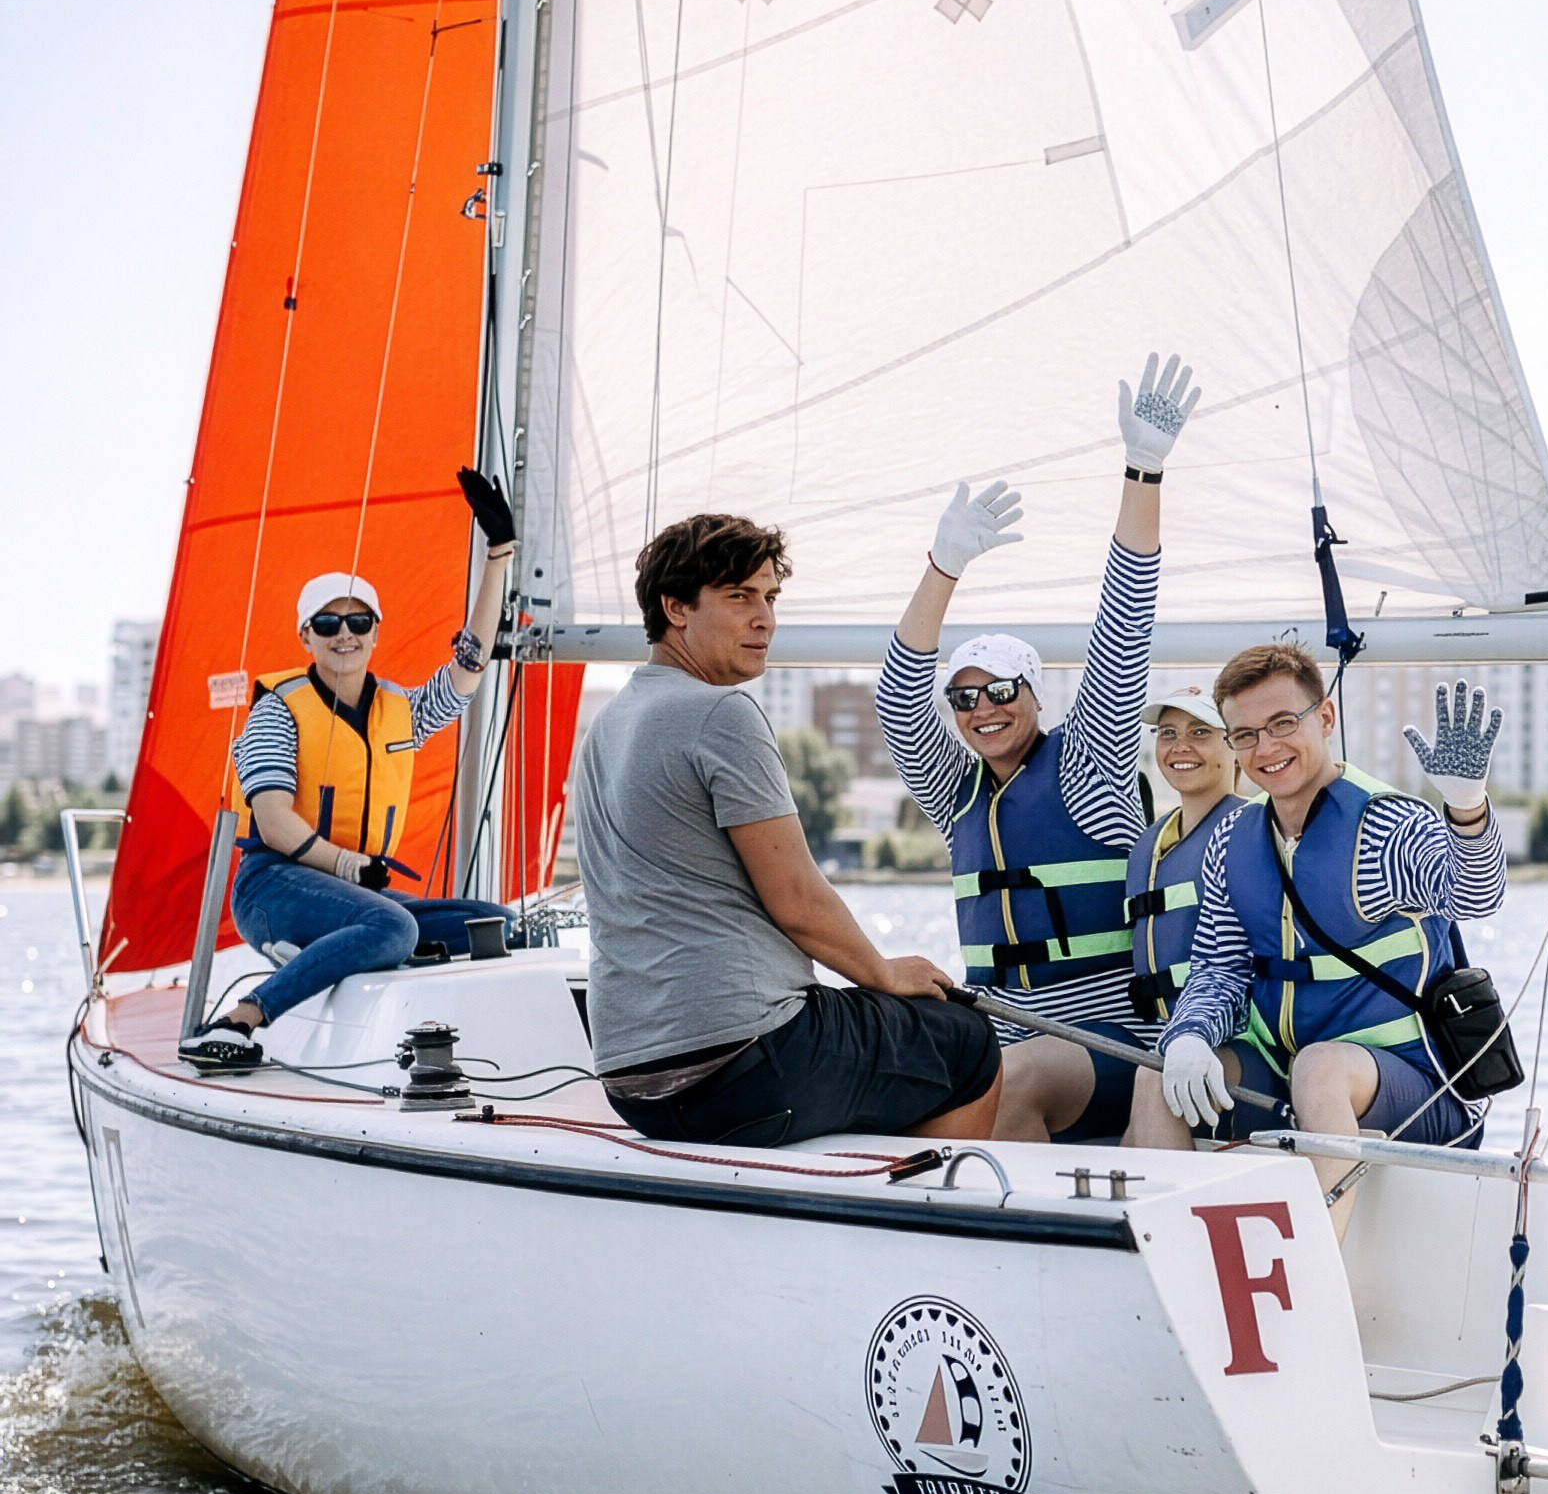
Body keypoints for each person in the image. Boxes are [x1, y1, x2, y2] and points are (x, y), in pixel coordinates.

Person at [573, 511, 1000, 1149]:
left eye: (769, 597)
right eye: (739, 597)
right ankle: (926, 1228)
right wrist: (883, 972)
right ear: (676, 607)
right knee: (965, 1045)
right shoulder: (720, 713)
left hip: (633, 1080)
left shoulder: (608, 726)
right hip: (745, 1065)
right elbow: (797, 902)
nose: (764, 619)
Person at [876, 352, 1198, 1143]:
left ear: (1034, 694)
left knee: (1007, 1084)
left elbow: (1123, 631)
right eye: (964, 696)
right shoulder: (959, 800)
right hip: (998, 1030)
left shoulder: (1086, 764)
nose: (983, 709)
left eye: (1001, 691)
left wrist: (1143, 473)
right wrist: (943, 564)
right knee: (890, 1084)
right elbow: (894, 699)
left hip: (1109, 1044)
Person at [181, 470, 523, 1072]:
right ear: (305, 637)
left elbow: (468, 671)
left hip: (357, 895)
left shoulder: (401, 711)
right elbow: (273, 819)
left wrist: (498, 555)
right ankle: (242, 1019)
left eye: (359, 623)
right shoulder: (276, 713)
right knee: (392, 926)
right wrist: (345, 864)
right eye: (329, 624)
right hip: (274, 888)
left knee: (499, 923)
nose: (346, 635)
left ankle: (356, 960)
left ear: (375, 633)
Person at [1155, 649, 1508, 1229]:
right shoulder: (1232, 841)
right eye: (1245, 735)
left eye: (1283, 724)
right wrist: (1188, 1037)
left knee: (1320, 1069)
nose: (1266, 748)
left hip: (1415, 1086)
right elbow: (1219, 969)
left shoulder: (1388, 826)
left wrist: (1466, 810)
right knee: (1156, 1075)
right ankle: (1171, 1270)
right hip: (1289, 1074)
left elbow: (1474, 896)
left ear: (1325, 718)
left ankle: (1311, 1287)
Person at [1122, 688, 1285, 1146]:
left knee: (1151, 1078)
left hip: (1248, 1049)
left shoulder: (1257, 833)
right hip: (1162, 1040)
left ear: (1234, 747)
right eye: (1168, 733)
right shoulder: (1147, 847)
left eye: (1200, 733)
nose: (1180, 746)